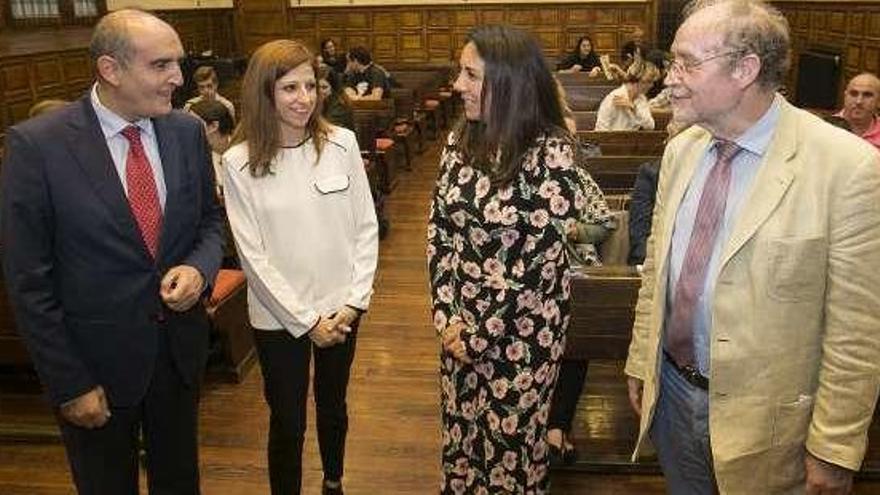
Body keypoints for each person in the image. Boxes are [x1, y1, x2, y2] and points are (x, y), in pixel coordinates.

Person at [625, 1, 880, 494]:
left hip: (773, 430)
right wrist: (642, 359)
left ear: (745, 70)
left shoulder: (847, 167)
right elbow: (658, 266)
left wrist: (833, 448)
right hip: (674, 397)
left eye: (687, 63)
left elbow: (858, 331)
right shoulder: (681, 149)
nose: (670, 78)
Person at [1, 9, 225, 495]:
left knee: (180, 482)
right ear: (111, 69)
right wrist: (69, 382)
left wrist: (199, 268)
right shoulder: (38, 146)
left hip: (177, 359)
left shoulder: (186, 132)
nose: (177, 78)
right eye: (161, 65)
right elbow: (28, 282)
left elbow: (210, 222)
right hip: (93, 370)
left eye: (178, 63)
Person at [428, 24, 585, 493]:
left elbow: (535, 268)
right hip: (459, 331)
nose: (458, 86)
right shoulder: (461, 141)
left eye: (471, 75)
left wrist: (478, 336)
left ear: (509, 81)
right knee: (461, 442)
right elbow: (439, 231)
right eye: (461, 73)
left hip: (522, 336)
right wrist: (446, 317)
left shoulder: (553, 154)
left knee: (509, 452)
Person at [222, 39, 378, 495]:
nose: (304, 98)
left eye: (311, 85)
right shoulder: (238, 162)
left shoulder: (342, 143)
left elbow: (366, 227)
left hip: (342, 309)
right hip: (278, 319)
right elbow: (253, 257)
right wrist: (307, 321)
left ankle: (333, 480)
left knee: (334, 405)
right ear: (263, 93)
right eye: (289, 87)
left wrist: (354, 301)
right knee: (287, 419)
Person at [595, 59, 660, 130]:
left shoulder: (641, 99)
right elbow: (601, 128)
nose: (651, 86)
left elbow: (650, 126)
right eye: (648, 82)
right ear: (636, 81)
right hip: (613, 139)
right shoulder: (614, 97)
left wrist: (634, 109)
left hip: (634, 139)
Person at [188, 98, 234, 198]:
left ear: (213, 126)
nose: (187, 128)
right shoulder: (197, 158)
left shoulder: (244, 151)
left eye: (193, 123)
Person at [835, 72, 880, 149]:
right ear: (845, 97)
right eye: (853, 94)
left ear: (878, 101)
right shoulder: (827, 126)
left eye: (867, 95)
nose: (858, 101)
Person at [318, 65, 355, 131]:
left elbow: (330, 128)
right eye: (317, 87)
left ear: (333, 88)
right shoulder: (319, 101)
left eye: (324, 87)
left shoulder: (340, 104)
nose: (320, 91)